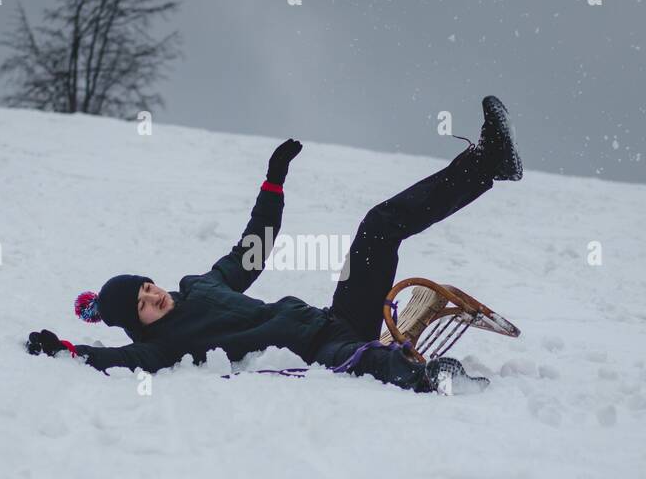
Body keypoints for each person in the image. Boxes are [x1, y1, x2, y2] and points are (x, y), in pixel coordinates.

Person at [26, 96, 523, 393]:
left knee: (378, 225)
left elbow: (254, 249)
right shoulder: (163, 346)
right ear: (140, 325)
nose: (153, 296)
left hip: (332, 318)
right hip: (318, 347)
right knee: (366, 360)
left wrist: (273, 181)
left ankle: (488, 165)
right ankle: (432, 378)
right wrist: (67, 350)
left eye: (146, 287)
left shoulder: (202, 284)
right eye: (142, 306)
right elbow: (116, 361)